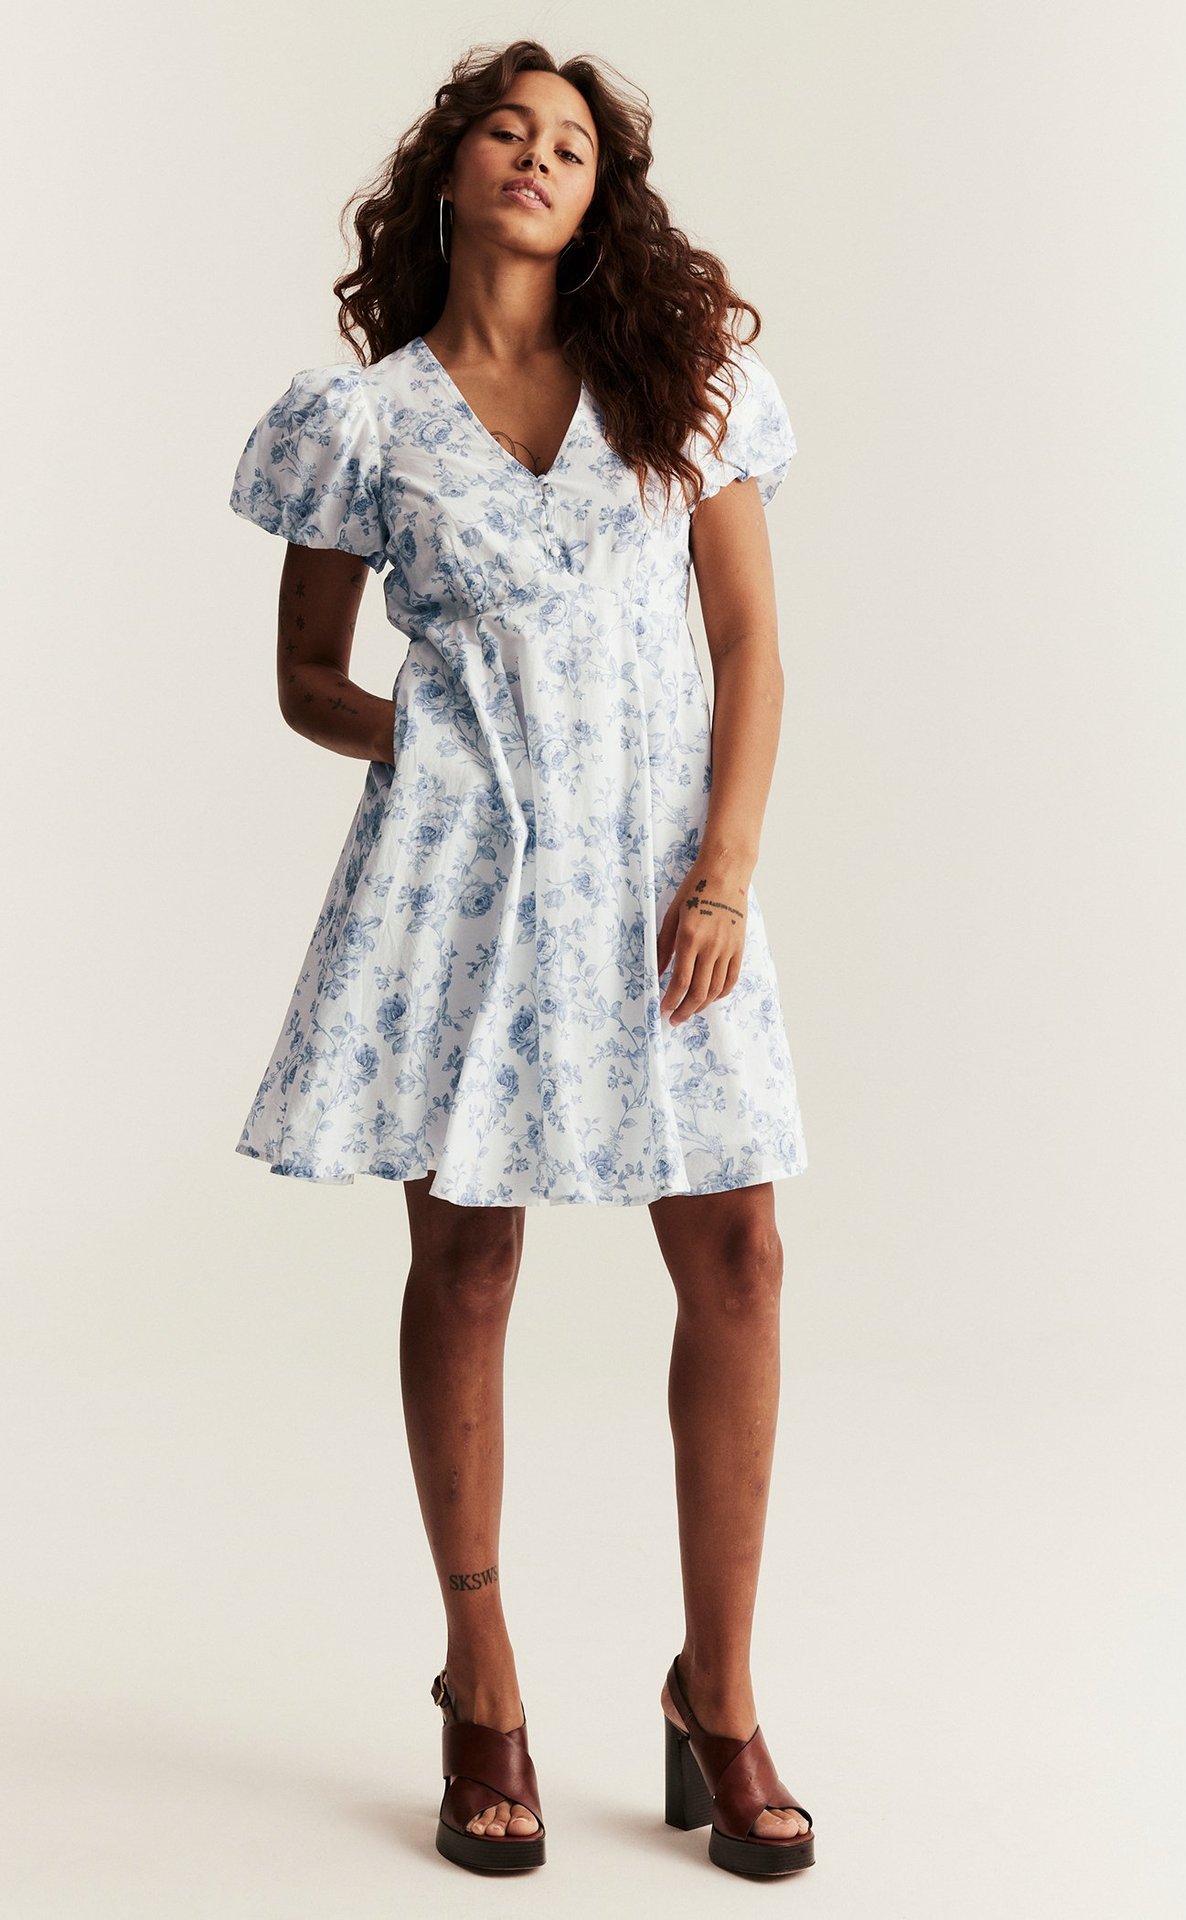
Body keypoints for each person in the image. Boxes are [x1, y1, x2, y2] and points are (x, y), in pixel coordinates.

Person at [227, 39, 815, 1880]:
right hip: (460, 887)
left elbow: (750, 653)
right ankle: (482, 1674)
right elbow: (310, 678)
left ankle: (716, 1695)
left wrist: (723, 874)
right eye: (510, 128)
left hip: (661, 881)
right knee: (464, 1255)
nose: (540, 157)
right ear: (454, 171)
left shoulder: (683, 386)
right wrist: (418, 733)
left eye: (572, 142)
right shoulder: (367, 422)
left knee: (736, 1243)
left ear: (599, 191)